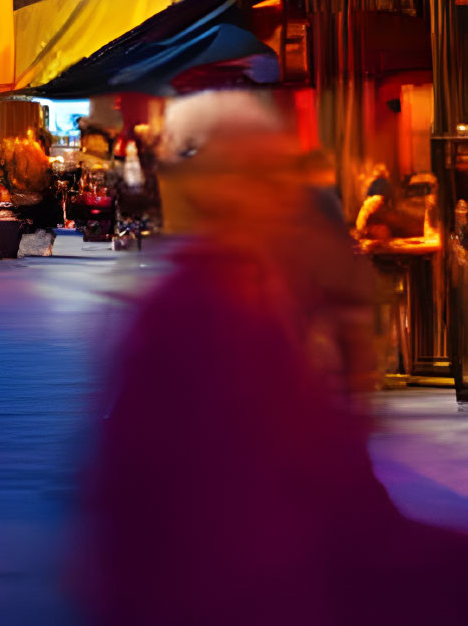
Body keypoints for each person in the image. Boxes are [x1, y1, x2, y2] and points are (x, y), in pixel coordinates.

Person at [79, 103, 468, 622]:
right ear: (222, 190)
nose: (285, 198)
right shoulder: (199, 310)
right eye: (266, 178)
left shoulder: (250, 294)